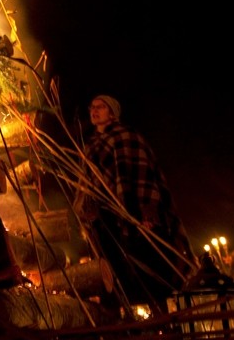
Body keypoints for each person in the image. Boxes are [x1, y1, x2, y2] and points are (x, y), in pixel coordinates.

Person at [81, 95, 195, 316]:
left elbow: (144, 174)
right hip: (106, 215)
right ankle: (122, 323)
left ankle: (163, 320)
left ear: (112, 112)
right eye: (92, 107)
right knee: (113, 269)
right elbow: (88, 181)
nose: (94, 110)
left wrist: (147, 210)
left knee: (148, 265)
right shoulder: (91, 144)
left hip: (135, 211)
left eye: (100, 107)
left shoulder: (128, 137)